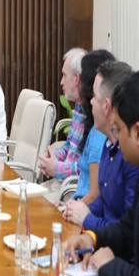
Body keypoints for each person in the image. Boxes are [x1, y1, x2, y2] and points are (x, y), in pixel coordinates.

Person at [64, 67, 139, 276]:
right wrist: (92, 238)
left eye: (119, 129)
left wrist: (109, 267)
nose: (116, 138)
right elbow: (128, 229)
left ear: (138, 133)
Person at [64, 61, 139, 229]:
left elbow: (127, 231)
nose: (90, 101)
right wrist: (78, 210)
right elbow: (103, 203)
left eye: (94, 97)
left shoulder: (131, 156)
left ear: (106, 106)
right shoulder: (109, 144)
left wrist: (87, 219)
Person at [68, 50, 114, 203]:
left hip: (84, 211)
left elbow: (95, 195)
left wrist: (71, 208)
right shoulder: (94, 127)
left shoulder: (100, 134)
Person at [39, 47, 87, 182]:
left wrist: (56, 168)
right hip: (63, 184)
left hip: (72, 189)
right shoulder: (79, 107)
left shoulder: (93, 116)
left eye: (64, 75)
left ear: (76, 79)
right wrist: (52, 157)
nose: (61, 82)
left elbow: (86, 170)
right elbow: (69, 146)